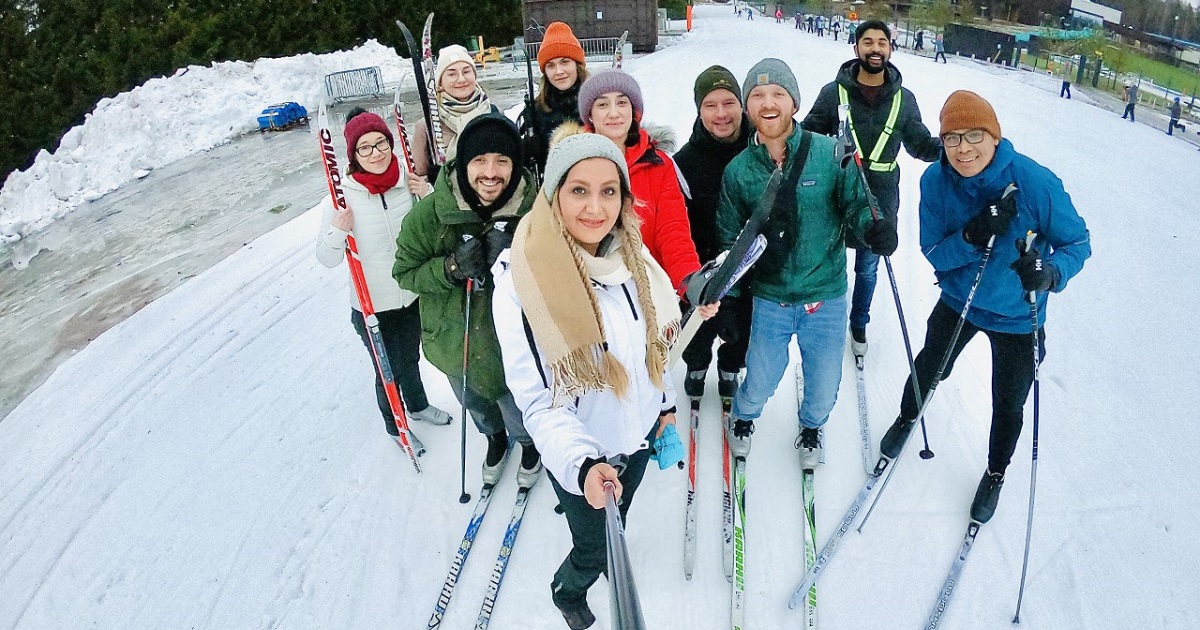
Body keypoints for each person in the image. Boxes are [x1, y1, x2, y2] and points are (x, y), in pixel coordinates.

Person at [492, 132, 700, 629]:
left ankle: (611, 546)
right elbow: (540, 403)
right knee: (592, 546)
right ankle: (568, 590)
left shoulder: (634, 259)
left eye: (610, 191)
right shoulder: (523, 283)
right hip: (585, 457)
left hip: (641, 439)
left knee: (617, 526)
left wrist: (665, 407)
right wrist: (583, 464)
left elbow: (654, 349)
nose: (595, 207)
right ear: (554, 194)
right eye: (579, 190)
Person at [877, 91, 1090, 523]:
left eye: (974, 135)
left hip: (1018, 313)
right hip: (961, 300)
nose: (963, 148)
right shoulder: (935, 181)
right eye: (952, 138)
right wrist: (974, 235)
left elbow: (1077, 242)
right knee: (930, 366)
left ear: (994, 136)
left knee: (1008, 401)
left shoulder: (1034, 181)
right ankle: (905, 418)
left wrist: (1050, 274)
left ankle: (995, 472)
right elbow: (934, 252)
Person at [717, 59, 897, 468]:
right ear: (748, 107)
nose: (768, 103)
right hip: (771, 297)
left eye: (778, 94)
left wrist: (875, 227)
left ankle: (812, 426)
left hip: (825, 295)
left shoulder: (830, 154)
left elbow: (857, 206)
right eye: (757, 95)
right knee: (759, 378)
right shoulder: (739, 172)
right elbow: (731, 243)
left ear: (794, 103)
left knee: (825, 385)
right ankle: (743, 417)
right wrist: (730, 302)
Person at [393, 114, 542, 488]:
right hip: (453, 340)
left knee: (515, 404)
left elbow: (559, 273)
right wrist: (450, 267)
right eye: (479, 161)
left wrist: (516, 255)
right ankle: (494, 440)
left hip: (512, 347)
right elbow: (405, 273)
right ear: (463, 163)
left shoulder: (538, 211)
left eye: (502, 161)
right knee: (475, 402)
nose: (490, 173)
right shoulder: (429, 216)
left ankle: (528, 445)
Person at [801, 20, 942, 356]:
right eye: (868, 42)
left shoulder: (903, 100)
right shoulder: (832, 93)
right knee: (827, 260)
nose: (875, 48)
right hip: (835, 192)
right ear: (856, 48)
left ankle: (859, 321)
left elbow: (920, 144)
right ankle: (823, 321)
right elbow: (807, 135)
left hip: (881, 196)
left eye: (882, 42)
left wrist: (952, 149)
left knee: (867, 266)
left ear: (890, 49)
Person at [314, 108, 453, 436]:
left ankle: (417, 407)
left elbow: (433, 224)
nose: (375, 153)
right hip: (373, 306)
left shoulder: (408, 181)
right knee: (388, 370)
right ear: (353, 155)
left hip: (412, 296)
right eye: (365, 147)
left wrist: (428, 194)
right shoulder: (341, 198)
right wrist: (337, 231)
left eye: (381, 144)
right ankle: (396, 426)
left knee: (411, 358)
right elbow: (326, 258)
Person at [572, 69, 702, 290]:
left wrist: (689, 280)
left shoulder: (658, 164)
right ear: (590, 115)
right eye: (603, 105)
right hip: (590, 289)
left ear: (634, 112)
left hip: (647, 288)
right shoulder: (573, 163)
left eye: (622, 103)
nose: (614, 113)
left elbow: (673, 230)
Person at [675, 66, 755, 399]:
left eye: (728, 103)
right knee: (697, 333)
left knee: (743, 334)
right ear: (699, 111)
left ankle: (729, 369)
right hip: (702, 266)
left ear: (741, 106)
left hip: (750, 269)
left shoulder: (761, 153)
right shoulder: (684, 162)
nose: (721, 114)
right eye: (710, 105)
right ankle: (696, 366)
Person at [411, 44, 501, 185]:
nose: (461, 79)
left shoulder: (493, 112)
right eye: (452, 74)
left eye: (466, 71)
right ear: (440, 83)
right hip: (450, 202)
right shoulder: (427, 126)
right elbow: (419, 179)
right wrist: (432, 180)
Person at [520, 21, 589, 176]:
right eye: (551, 65)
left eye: (565, 62)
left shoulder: (596, 102)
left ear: (577, 65)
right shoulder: (536, 110)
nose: (559, 71)